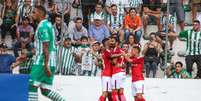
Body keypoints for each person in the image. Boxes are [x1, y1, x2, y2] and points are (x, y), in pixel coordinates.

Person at [28, 5, 66, 101]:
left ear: (40, 13)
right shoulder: (48, 24)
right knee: (45, 90)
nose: (32, 15)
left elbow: (46, 46)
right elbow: (41, 46)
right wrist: (26, 55)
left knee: (31, 85)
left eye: (34, 12)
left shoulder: (43, 26)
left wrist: (46, 64)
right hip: (51, 60)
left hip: (43, 61)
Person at [109, 37, 126, 101]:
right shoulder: (122, 51)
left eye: (112, 41)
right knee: (121, 92)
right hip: (122, 73)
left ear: (117, 43)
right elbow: (124, 63)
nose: (111, 43)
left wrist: (109, 61)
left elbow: (114, 62)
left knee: (114, 92)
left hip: (116, 73)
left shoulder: (115, 50)